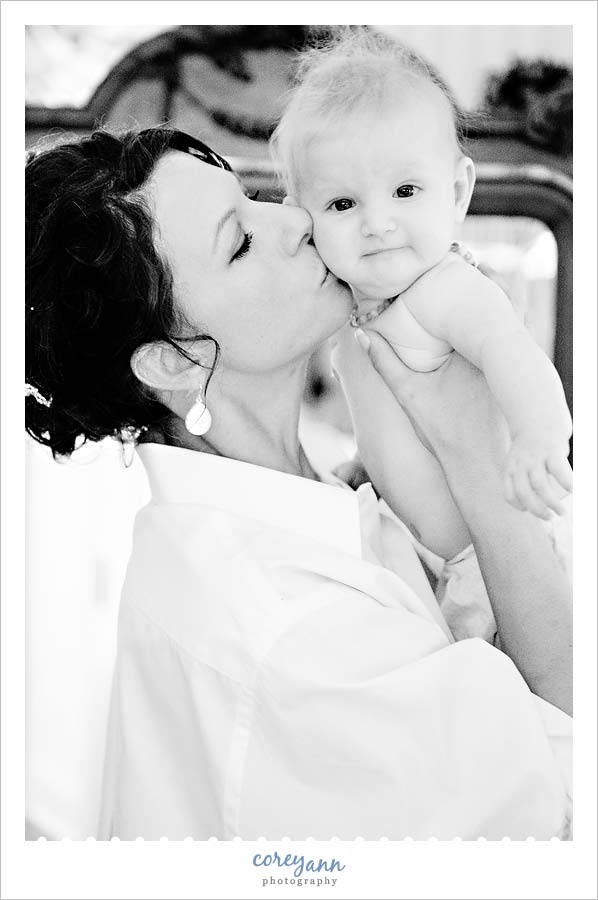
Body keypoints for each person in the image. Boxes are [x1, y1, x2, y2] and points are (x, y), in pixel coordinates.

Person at [26, 126, 572, 841]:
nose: (293, 220)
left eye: (255, 198)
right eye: (240, 242)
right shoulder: (291, 639)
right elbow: (567, 792)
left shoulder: (325, 494)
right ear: (172, 362)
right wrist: (478, 455)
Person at [270, 28, 573, 551]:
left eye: (405, 191)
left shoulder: (448, 288)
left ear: (457, 191)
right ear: (303, 216)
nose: (378, 223)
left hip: (491, 554)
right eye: (343, 204)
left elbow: (514, 354)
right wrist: (370, 468)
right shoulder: (355, 311)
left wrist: (537, 436)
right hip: (430, 561)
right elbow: (398, 416)